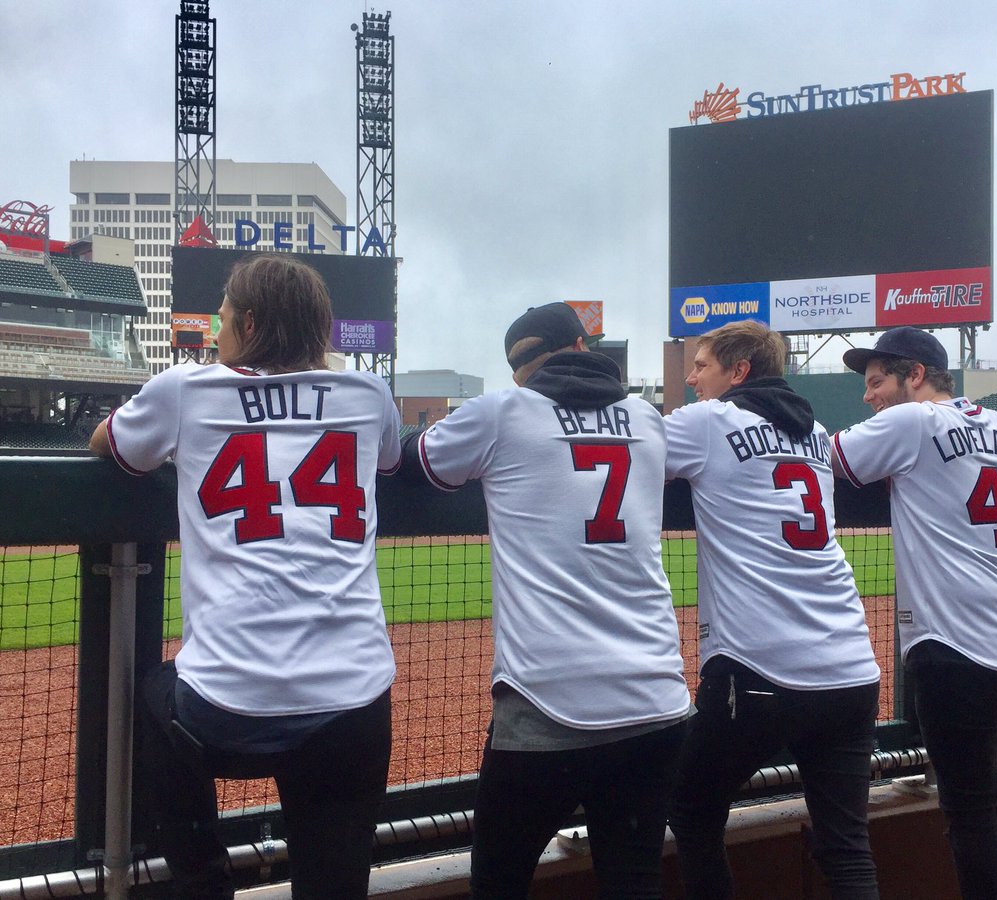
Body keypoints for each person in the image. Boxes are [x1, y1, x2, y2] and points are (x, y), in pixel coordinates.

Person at [90, 254, 402, 900]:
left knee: (155, 694)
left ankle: (205, 880)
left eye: (224, 317)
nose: (217, 330)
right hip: (353, 709)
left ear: (250, 323)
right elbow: (393, 459)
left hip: (223, 715)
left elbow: (108, 444)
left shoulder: (187, 389)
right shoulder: (370, 395)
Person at [400, 302, 691, 899]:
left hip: (548, 702)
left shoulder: (504, 412)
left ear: (517, 371)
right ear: (585, 349)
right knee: (634, 880)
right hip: (656, 696)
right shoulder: (647, 417)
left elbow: (419, 460)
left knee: (498, 883)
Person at [831, 326, 997, 900]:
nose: (869, 396)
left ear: (915, 375)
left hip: (964, 656)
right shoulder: (996, 424)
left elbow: (827, 457)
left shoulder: (911, 423)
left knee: (971, 815)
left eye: (877, 380)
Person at [663, 321, 881, 900]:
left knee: (691, 810)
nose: (690, 377)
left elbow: (617, 458)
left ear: (738, 372)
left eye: (702, 364)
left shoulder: (710, 422)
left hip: (760, 672)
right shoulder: (815, 434)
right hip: (851, 669)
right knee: (847, 847)